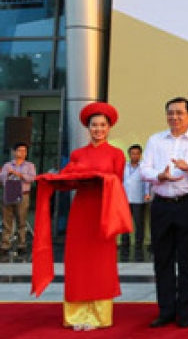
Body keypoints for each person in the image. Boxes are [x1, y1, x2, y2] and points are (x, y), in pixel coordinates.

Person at [52, 103, 128, 330]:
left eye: (103, 125)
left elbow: (118, 183)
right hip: (82, 210)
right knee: (79, 262)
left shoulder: (116, 154)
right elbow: (66, 180)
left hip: (104, 211)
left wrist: (101, 178)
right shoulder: (78, 154)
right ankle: (76, 314)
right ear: (88, 127)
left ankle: (98, 315)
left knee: (101, 263)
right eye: (94, 125)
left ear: (109, 127)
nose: (98, 129)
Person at [141, 97, 188, 328]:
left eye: (180, 113)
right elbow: (144, 169)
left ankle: (185, 312)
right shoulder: (155, 140)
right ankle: (165, 310)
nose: (175, 117)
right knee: (162, 258)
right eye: (170, 113)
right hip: (161, 203)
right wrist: (159, 176)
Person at [1, 142, 36, 253]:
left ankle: (22, 244)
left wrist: (18, 174)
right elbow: (2, 179)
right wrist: (9, 174)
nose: (22, 153)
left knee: (22, 220)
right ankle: (5, 245)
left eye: (24, 151)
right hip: (9, 192)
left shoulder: (30, 165)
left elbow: (32, 178)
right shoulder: (7, 165)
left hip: (23, 194)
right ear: (14, 152)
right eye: (20, 150)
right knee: (7, 220)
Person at [120, 144, 150, 249]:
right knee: (124, 222)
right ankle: (125, 243)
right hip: (125, 199)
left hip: (139, 199)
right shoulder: (124, 166)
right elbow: (121, 181)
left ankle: (138, 244)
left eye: (137, 154)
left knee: (139, 223)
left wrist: (147, 194)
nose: (135, 156)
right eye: (133, 153)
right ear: (129, 154)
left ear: (140, 155)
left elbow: (147, 182)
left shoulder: (143, 167)